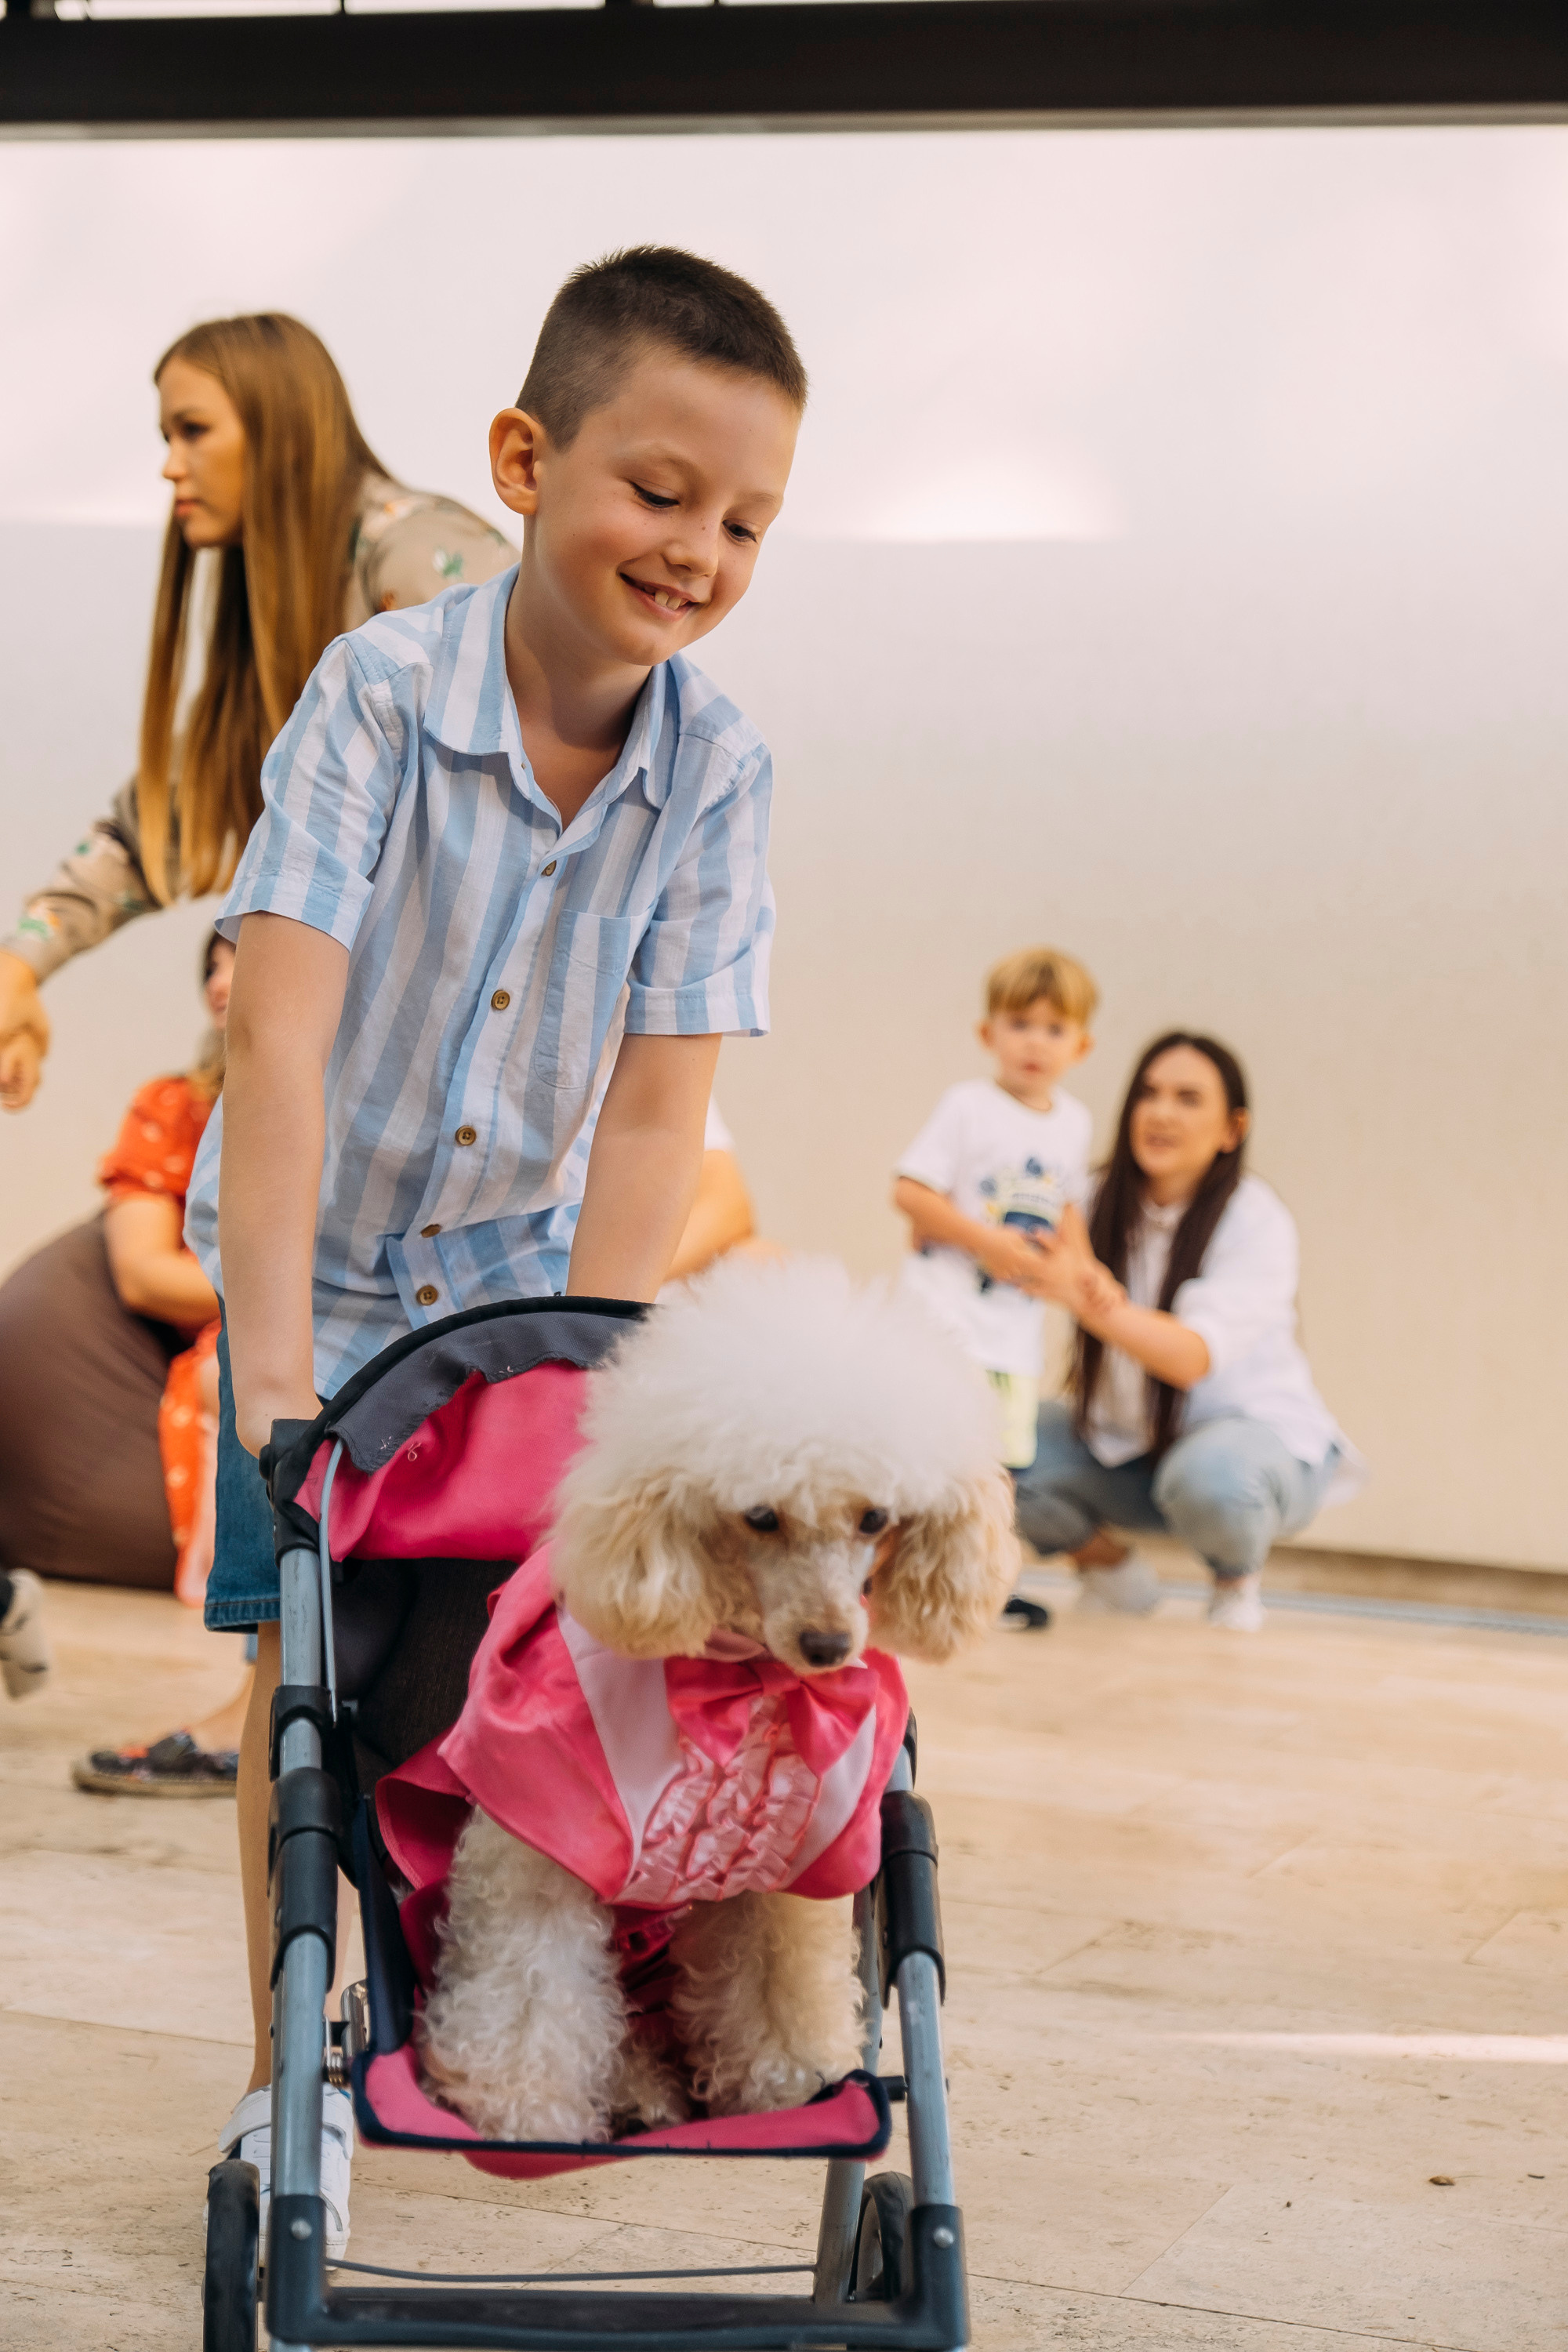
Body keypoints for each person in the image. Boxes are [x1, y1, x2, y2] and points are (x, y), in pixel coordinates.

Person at [191, 245, 804, 2257]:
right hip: (321, 1277)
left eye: (743, 519)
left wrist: (601, 1375)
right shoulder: (374, 691)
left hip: (517, 1294)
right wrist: (274, 1367)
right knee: (308, 1695)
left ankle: (523, 2011)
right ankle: (295, 2041)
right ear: (524, 461)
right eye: (656, 490)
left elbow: (653, 1104)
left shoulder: (717, 770)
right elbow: (276, 1038)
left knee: (505, 1692)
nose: (695, 548)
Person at [0, 310, 514, 1111]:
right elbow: (155, 832)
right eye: (166, 436)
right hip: (321, 1075)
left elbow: (548, 787)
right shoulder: (266, 621)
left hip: (454, 1084)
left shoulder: (416, 559)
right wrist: (18, 969)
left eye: (193, 431)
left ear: (279, 431)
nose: (171, 466)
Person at [1013, 1031, 1363, 1632]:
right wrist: (941, 1229)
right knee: (994, 1453)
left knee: (1210, 1478)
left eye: (1188, 1098)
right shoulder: (1094, 1198)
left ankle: (1235, 1584)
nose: (1162, 1112)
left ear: (1232, 1129)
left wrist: (1090, 1298)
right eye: (1149, 1094)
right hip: (1135, 1450)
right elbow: (1009, 1231)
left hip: (1250, 1453)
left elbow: (1190, 1359)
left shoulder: (1254, 1219)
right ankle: (1115, 1575)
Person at [0, 931, 229, 1604]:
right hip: (205, 1351)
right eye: (209, 964)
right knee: (234, 1381)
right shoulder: (175, 1106)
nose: (218, 980)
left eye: (236, 959)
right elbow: (144, 1274)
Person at [891, 946, 1098, 1629]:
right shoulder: (968, 1106)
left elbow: (1065, 1207)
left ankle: (981, 1584)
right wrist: (984, 1242)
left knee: (1000, 1466)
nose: (1035, 1042)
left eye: (1054, 1028)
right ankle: (897, 1575)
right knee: (930, 1446)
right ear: (989, 1034)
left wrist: (1083, 1268)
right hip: (946, 1315)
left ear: (1081, 1044)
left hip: (1014, 1332)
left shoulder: (1073, 1123)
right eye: (1019, 1023)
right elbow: (911, 1192)